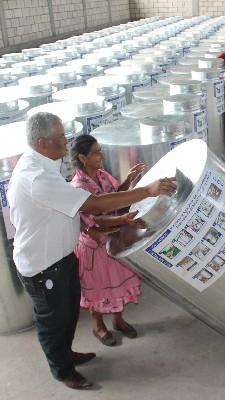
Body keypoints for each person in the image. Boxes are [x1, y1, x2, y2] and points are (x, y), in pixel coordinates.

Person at [8, 112, 176, 389]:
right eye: (60, 137)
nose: (66, 141)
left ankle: (66, 354)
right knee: (53, 322)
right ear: (42, 143)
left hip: (62, 258)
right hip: (43, 266)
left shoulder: (45, 164)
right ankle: (63, 370)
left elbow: (81, 207)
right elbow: (93, 205)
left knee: (68, 315)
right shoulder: (36, 177)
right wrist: (147, 191)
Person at [70, 136, 145, 346]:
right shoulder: (77, 187)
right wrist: (123, 220)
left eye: (100, 150)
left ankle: (118, 320)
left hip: (113, 239)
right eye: (96, 152)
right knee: (97, 287)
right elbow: (94, 221)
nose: (100, 155)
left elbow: (115, 197)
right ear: (83, 158)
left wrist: (128, 180)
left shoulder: (102, 175)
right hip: (94, 246)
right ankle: (98, 326)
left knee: (117, 283)